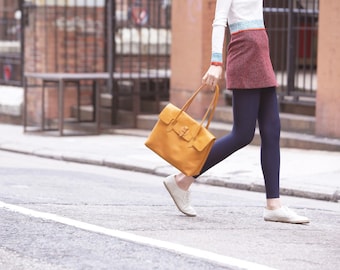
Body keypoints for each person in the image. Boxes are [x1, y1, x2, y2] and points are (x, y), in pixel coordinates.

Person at [163, 0, 310, 224]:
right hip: (244, 54)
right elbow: (219, 21)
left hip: (261, 52)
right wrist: (215, 61)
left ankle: (274, 205)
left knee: (272, 130)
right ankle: (183, 178)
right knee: (242, 134)